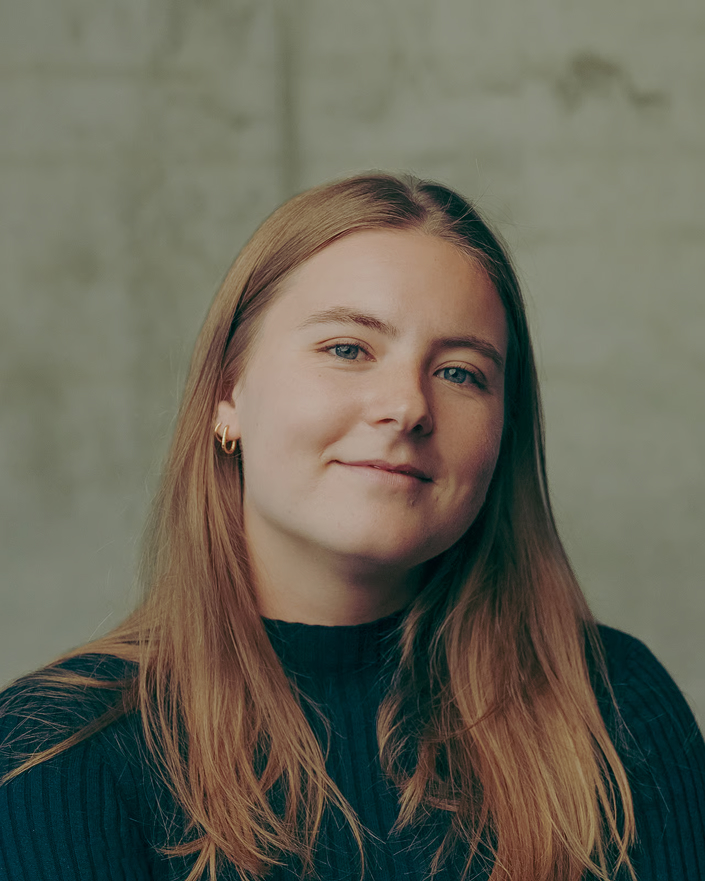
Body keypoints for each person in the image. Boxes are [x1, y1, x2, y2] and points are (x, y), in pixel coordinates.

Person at [1, 173, 704, 882]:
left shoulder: (616, 706)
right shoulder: (56, 750)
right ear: (227, 393)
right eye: (347, 349)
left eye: (460, 373)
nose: (407, 406)